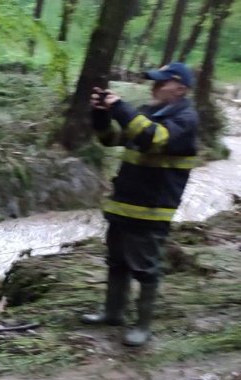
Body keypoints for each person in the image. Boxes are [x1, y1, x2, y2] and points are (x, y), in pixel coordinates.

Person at [82, 62, 199, 347]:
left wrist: (120, 107)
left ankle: (143, 327)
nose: (154, 86)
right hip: (124, 204)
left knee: (146, 268)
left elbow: (152, 138)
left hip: (151, 209)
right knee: (117, 262)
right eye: (154, 82)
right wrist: (100, 113)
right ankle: (113, 313)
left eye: (161, 83)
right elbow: (110, 139)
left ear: (180, 88)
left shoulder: (186, 119)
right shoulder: (148, 112)